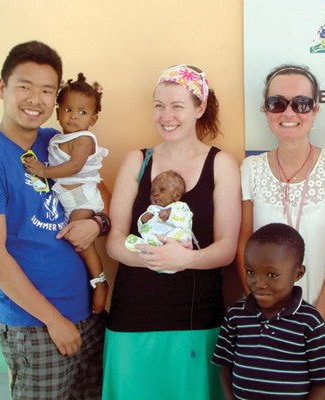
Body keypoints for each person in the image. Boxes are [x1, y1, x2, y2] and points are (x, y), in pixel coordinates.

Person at [0, 41, 107, 400]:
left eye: (46, 90)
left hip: (86, 314)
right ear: (2, 88)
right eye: (24, 86)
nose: (34, 99)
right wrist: (54, 321)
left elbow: (100, 193)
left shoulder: (57, 142)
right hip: (37, 325)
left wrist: (97, 224)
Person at [103, 64, 241, 399]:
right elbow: (114, 241)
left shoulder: (221, 164)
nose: (167, 116)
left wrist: (184, 259)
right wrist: (151, 257)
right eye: (159, 105)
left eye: (177, 106)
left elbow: (226, 248)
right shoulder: (137, 161)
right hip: (133, 316)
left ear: (199, 108)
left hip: (196, 320)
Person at [238, 64, 325, 363]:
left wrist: (312, 323)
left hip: (324, 325)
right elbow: (243, 246)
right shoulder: (251, 170)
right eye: (277, 103)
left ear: (315, 111)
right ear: (265, 110)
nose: (289, 113)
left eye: (301, 104)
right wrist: (263, 312)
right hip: (264, 324)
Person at [212, 223, 325, 400]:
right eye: (250, 272)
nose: (259, 283)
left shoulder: (309, 321)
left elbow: (323, 382)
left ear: (298, 273)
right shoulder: (236, 315)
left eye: (271, 275)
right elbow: (224, 366)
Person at [22, 73, 109, 313]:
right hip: (69, 199)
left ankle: (99, 282)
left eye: (82, 112)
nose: (73, 116)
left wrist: (43, 170)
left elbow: (74, 167)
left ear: (93, 118)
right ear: (59, 111)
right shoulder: (57, 137)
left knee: (80, 241)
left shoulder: (84, 139)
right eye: (68, 109)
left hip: (82, 197)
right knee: (75, 239)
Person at [125, 169, 194, 254]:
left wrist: (170, 215)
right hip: (156, 236)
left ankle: (156, 247)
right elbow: (143, 228)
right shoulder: (152, 209)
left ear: (176, 196)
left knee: (180, 236)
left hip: (175, 239)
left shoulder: (180, 207)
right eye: (152, 191)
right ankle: (146, 246)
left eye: (162, 190)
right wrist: (143, 220)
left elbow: (185, 222)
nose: (155, 194)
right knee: (147, 236)